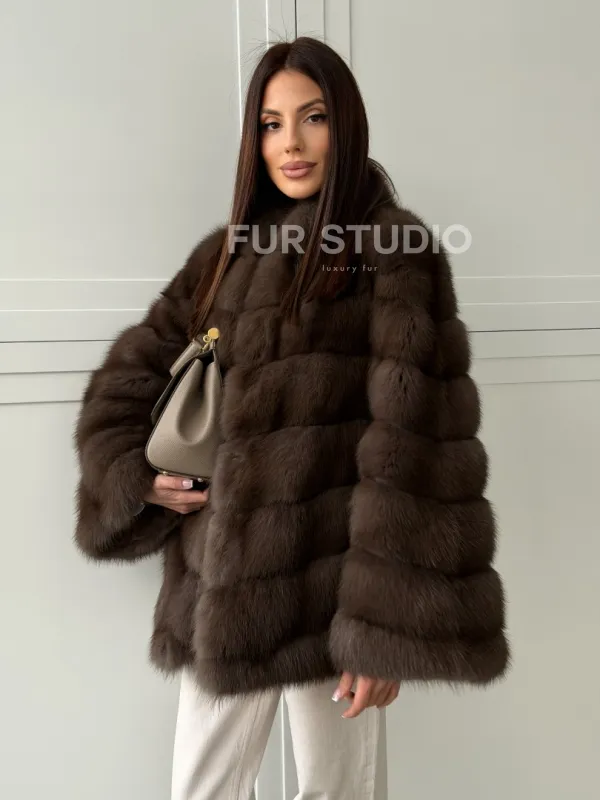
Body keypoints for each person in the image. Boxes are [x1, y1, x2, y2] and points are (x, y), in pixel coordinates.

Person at [73, 36, 509, 800]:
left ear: (346, 125)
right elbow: (127, 381)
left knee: (337, 792)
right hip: (217, 593)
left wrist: (383, 632)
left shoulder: (393, 253)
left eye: (313, 117)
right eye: (271, 124)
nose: (292, 144)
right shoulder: (225, 256)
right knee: (201, 791)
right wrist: (135, 477)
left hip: (335, 600)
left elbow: (416, 450)